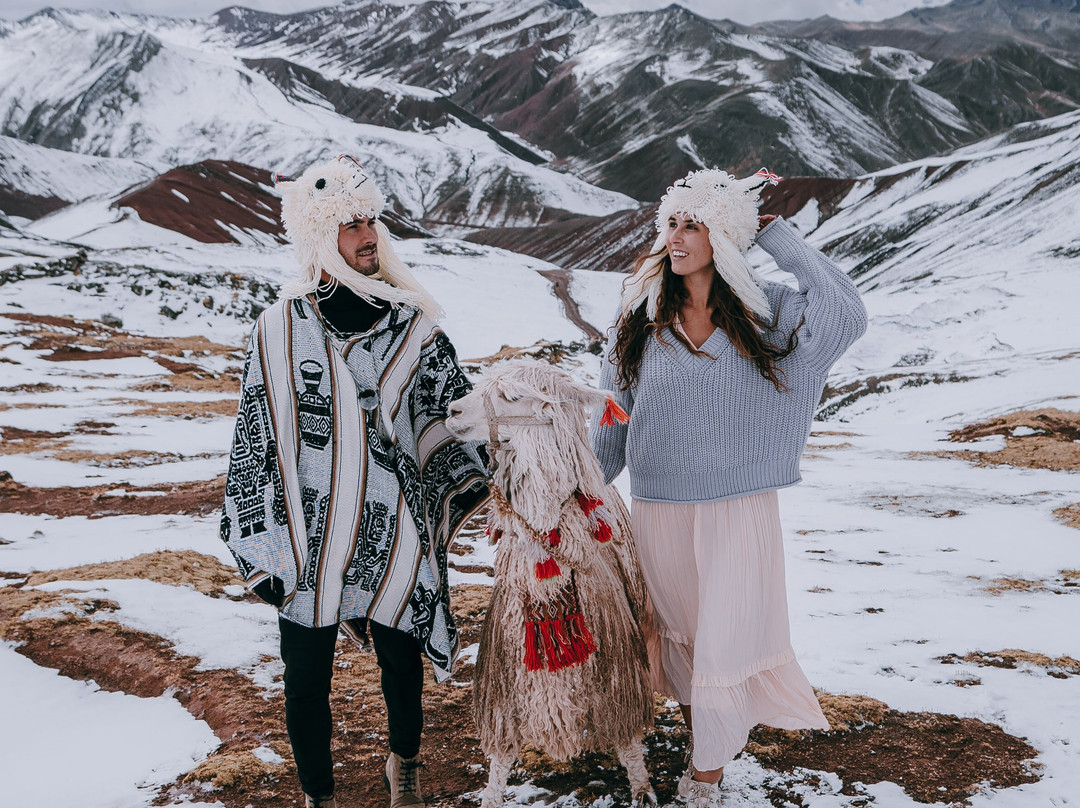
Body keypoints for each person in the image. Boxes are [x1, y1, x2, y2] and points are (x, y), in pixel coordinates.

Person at [590, 168, 867, 807]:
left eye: (696, 224)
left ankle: (706, 783)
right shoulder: (638, 316)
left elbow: (847, 315)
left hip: (738, 510)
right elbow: (612, 422)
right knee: (687, 647)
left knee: (723, 641)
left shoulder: (767, 313)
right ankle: (702, 757)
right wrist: (573, 493)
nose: (677, 237)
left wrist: (775, 235)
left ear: (727, 235)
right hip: (658, 509)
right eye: (672, 223)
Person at [220, 154, 489, 808]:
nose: (368, 235)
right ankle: (319, 796)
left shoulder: (414, 330)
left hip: (390, 531)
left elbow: (452, 419)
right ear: (319, 237)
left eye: (370, 220)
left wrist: (511, 433)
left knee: (402, 662)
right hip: (307, 541)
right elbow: (255, 439)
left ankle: (406, 764)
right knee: (305, 677)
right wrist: (263, 542)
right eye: (349, 225)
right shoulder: (277, 332)